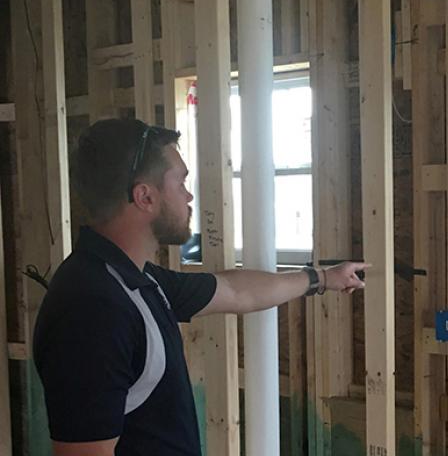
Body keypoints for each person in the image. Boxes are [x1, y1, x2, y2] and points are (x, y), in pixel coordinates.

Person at [33, 118, 367, 456]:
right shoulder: (93, 311)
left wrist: (323, 278)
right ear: (145, 196)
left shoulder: (139, 282)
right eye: (180, 181)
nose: (189, 195)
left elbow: (237, 291)